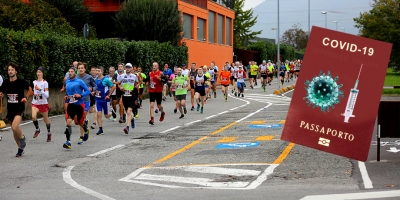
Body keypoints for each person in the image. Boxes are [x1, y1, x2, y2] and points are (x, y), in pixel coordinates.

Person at [0, 63, 32, 157]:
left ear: (16, 71)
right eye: (9, 70)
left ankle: (22, 139)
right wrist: (1, 93)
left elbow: (30, 90)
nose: (10, 71)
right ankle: (20, 148)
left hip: (19, 108)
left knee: (14, 127)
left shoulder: (21, 82)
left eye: (12, 70)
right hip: (10, 109)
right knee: (14, 131)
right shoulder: (5, 82)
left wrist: (26, 97)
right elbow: (1, 91)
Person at [63, 67, 90, 149]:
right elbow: (68, 92)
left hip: (79, 105)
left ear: (75, 73)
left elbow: (88, 91)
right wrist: (66, 97)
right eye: (69, 71)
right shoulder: (67, 81)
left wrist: (80, 95)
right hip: (71, 105)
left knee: (80, 123)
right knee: (69, 122)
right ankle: (68, 141)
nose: (70, 73)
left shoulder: (79, 81)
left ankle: (86, 129)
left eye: (72, 71)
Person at [76, 63, 97, 144]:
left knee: (81, 118)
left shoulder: (89, 77)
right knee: (77, 121)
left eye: (82, 68)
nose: (80, 69)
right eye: (79, 68)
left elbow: (95, 86)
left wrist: (92, 89)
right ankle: (85, 127)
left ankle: (81, 137)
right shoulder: (75, 77)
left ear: (85, 69)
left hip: (86, 101)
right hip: (77, 101)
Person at [31, 67, 52, 142]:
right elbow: (32, 91)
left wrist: (40, 90)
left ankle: (49, 133)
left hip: (43, 103)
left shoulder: (45, 83)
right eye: (37, 72)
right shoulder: (34, 82)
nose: (38, 73)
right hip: (35, 103)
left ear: (42, 73)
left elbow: (47, 95)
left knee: (45, 119)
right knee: (33, 117)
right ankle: (37, 129)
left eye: (40, 72)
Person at [94, 66, 116, 135]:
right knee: (99, 113)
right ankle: (100, 129)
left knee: (106, 116)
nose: (97, 72)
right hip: (98, 100)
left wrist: (108, 95)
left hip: (105, 100)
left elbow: (113, 87)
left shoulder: (105, 80)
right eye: (96, 71)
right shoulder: (95, 80)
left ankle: (111, 113)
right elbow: (95, 89)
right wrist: (93, 92)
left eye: (99, 71)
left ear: (102, 72)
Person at [118, 64, 139, 134]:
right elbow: (118, 84)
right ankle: (132, 119)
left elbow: (137, 83)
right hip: (124, 96)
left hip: (131, 95)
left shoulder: (134, 76)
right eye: (127, 67)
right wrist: (120, 87)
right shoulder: (121, 76)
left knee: (128, 112)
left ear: (131, 68)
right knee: (127, 111)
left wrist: (136, 88)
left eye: (129, 67)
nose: (128, 69)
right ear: (125, 68)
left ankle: (127, 127)